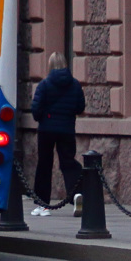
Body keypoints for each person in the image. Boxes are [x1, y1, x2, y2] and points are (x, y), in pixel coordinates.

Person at [30, 52, 86, 216]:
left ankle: (43, 205)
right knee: (68, 164)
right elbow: (80, 107)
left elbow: (36, 109)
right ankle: (77, 195)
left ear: (50, 65)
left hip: (46, 130)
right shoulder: (75, 84)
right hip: (67, 129)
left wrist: (42, 118)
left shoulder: (44, 84)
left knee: (44, 165)